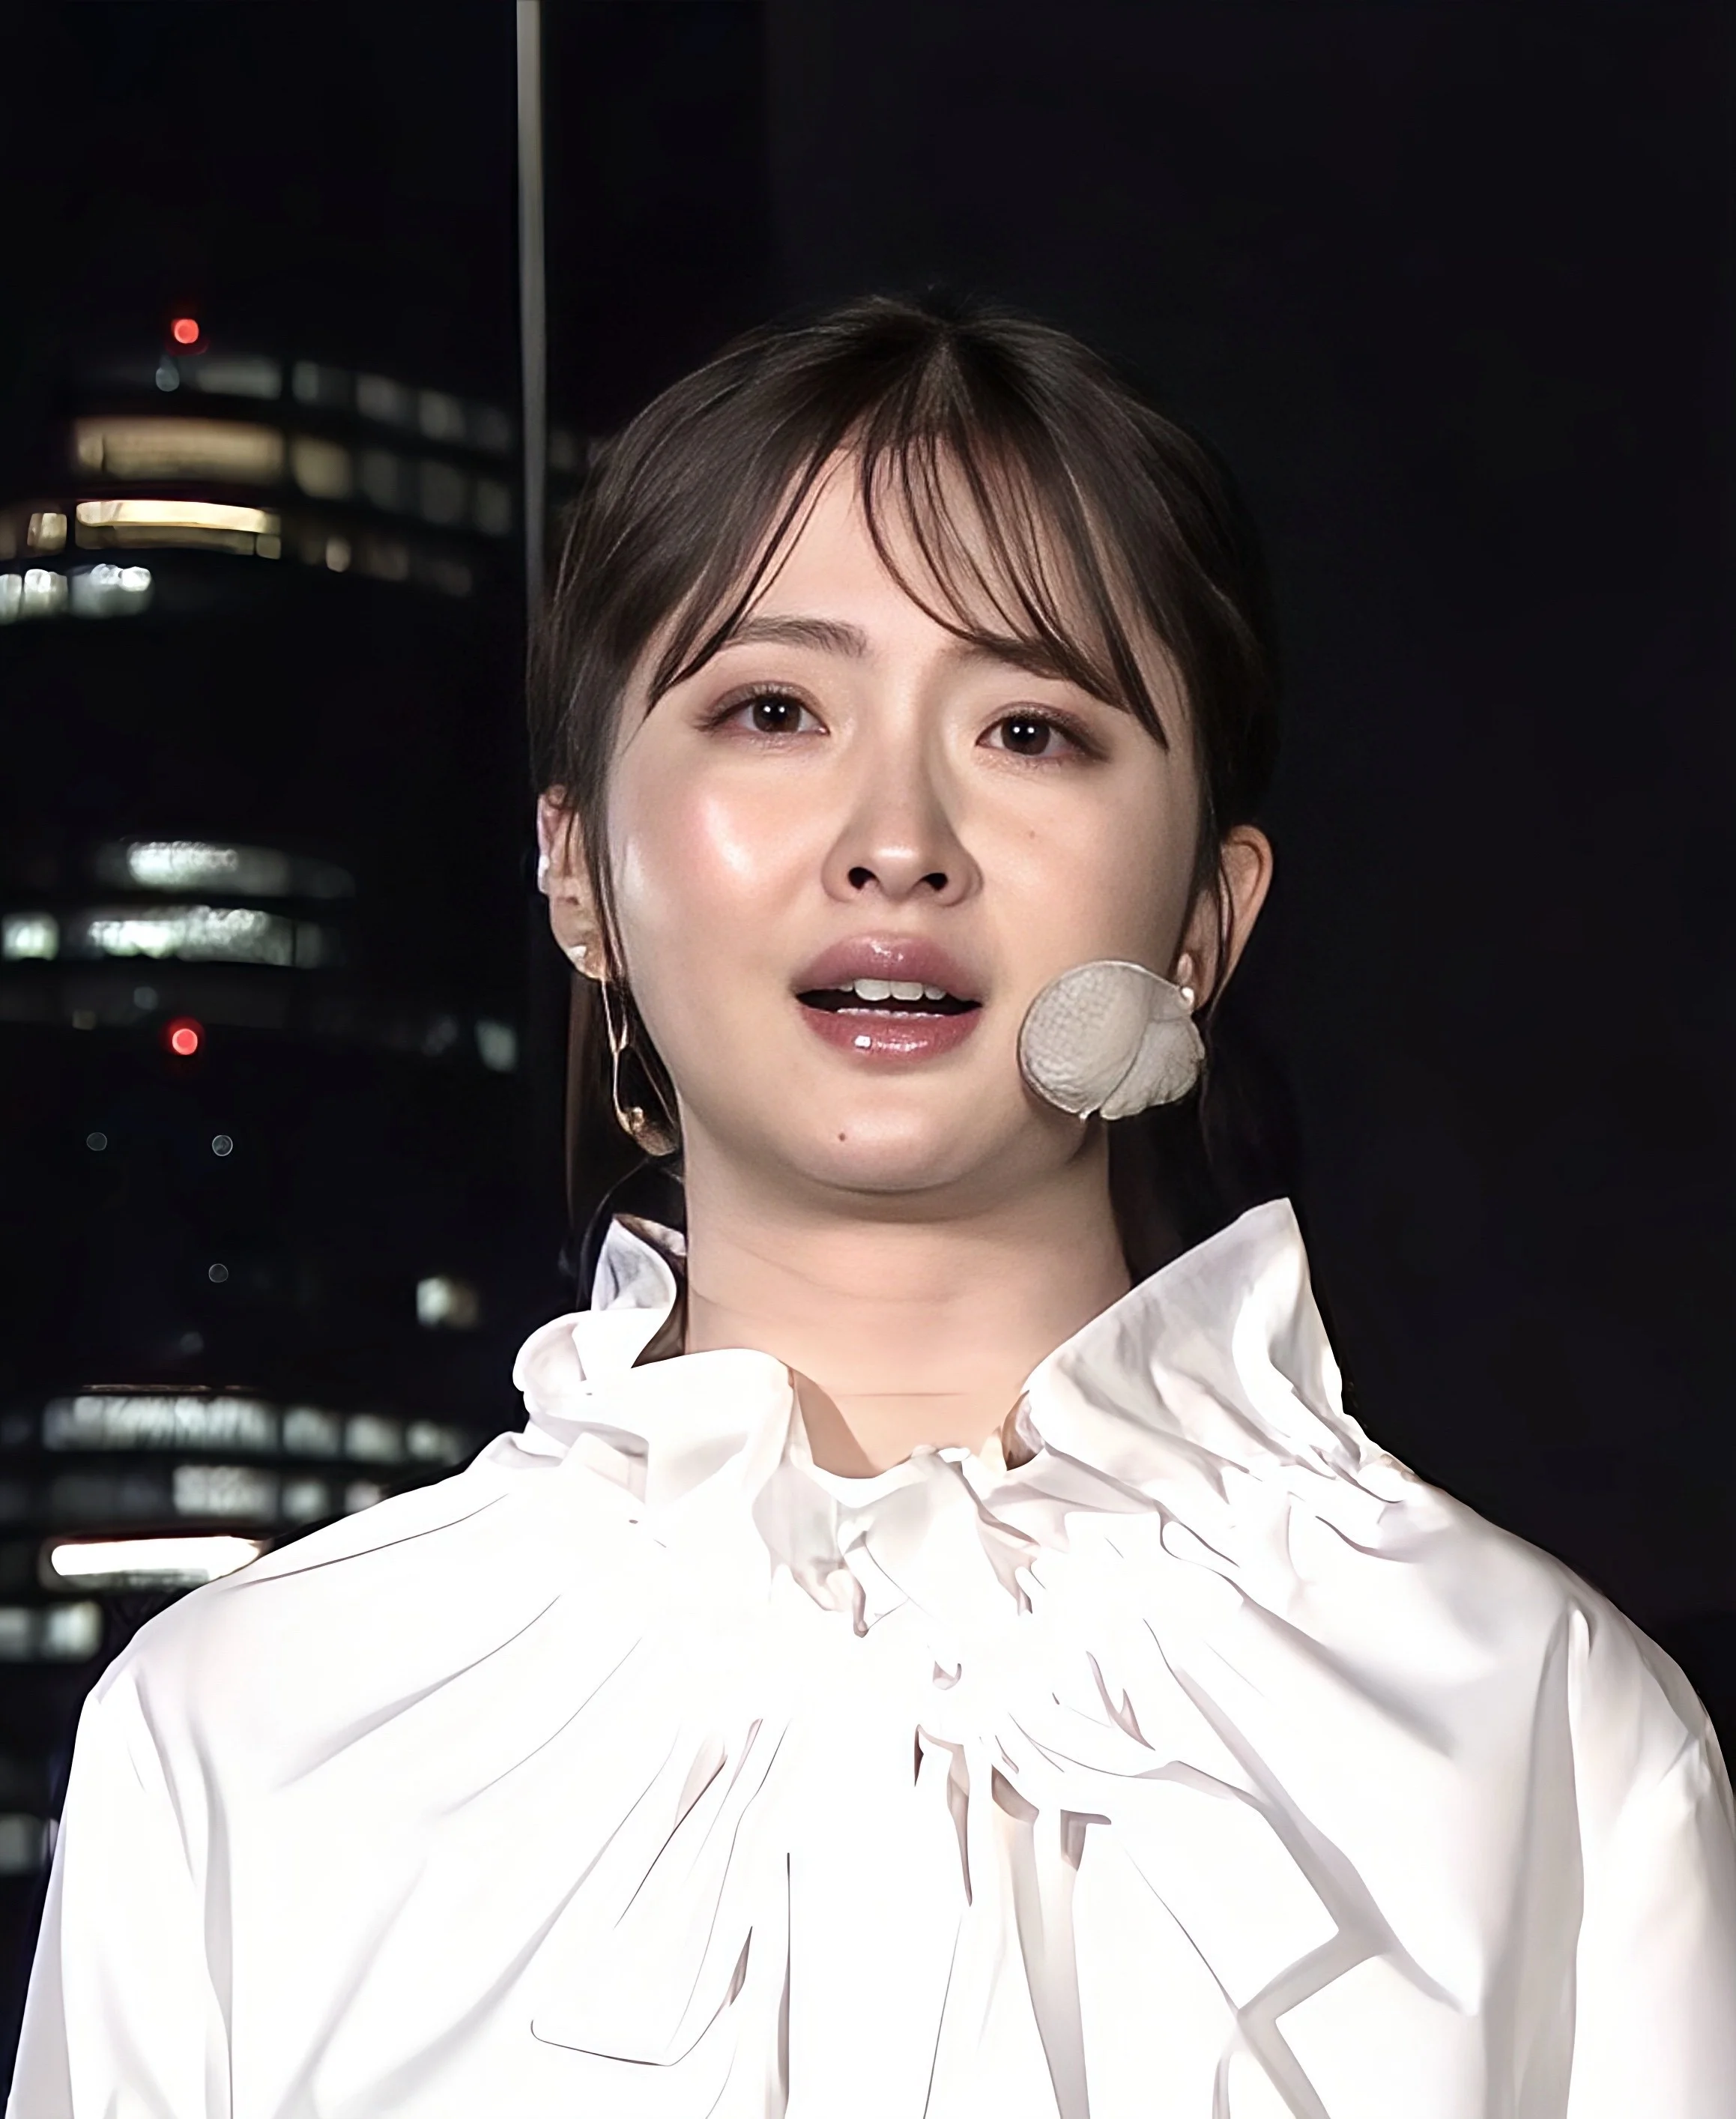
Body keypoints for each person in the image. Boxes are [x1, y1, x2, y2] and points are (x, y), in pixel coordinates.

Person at [10, 296, 1734, 2118]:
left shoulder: (1536, 1731)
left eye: (1031, 729)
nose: (897, 838)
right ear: (577, 869)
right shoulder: (247, 1736)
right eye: (773, 710)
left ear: (1206, 921)